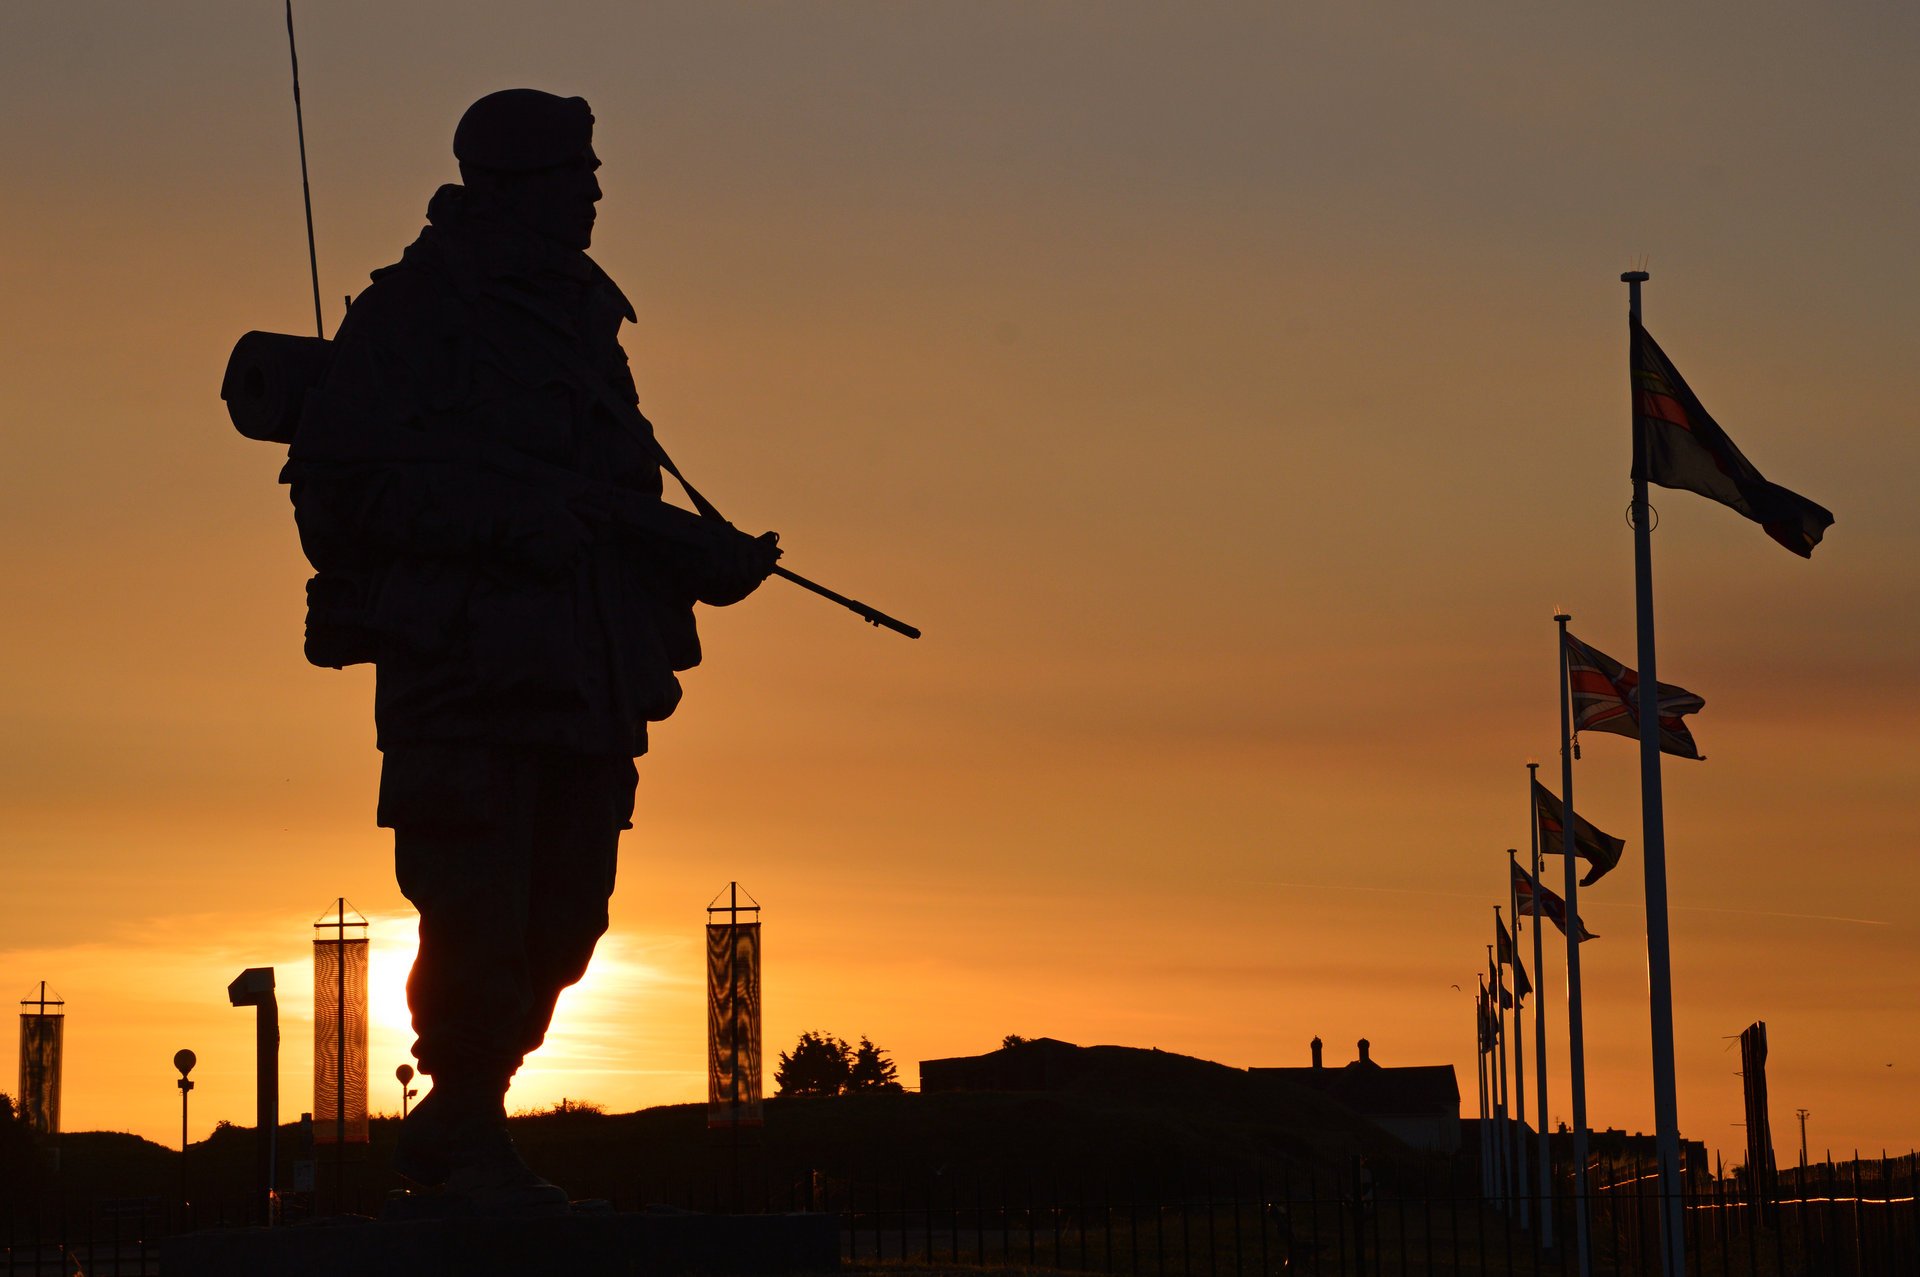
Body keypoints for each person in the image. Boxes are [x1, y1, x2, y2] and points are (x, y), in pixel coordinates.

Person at [282, 88, 779, 1209]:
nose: (595, 190)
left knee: (567, 919)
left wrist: (696, 559)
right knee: (476, 906)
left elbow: (615, 501)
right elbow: (338, 494)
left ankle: (463, 1112)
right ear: (511, 187)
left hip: (580, 677)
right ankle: (465, 1126)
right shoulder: (414, 315)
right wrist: (502, 525)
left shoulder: (584, 324)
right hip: (466, 677)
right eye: (574, 171)